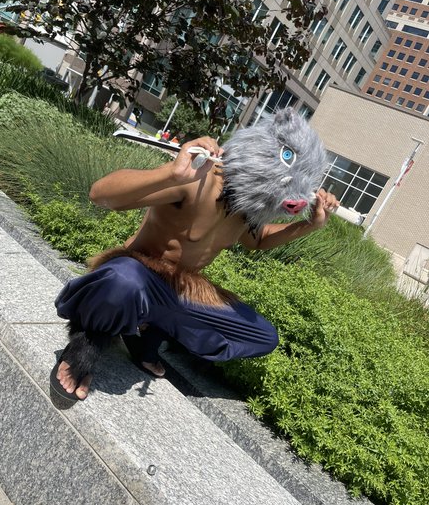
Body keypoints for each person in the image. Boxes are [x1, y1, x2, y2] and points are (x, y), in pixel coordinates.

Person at [52, 108, 339, 401]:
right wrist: (171, 174)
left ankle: (149, 332)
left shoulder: (247, 206)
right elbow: (99, 195)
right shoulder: (198, 179)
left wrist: (309, 225)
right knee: (123, 279)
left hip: (180, 290)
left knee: (262, 336)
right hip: (139, 275)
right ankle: (85, 347)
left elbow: (259, 240)